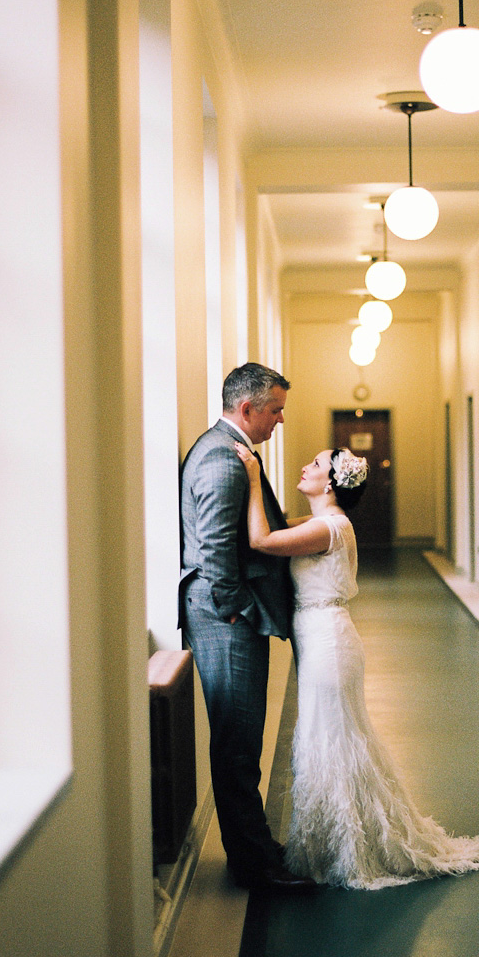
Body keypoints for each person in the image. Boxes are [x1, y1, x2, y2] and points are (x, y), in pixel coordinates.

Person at [233, 441, 479, 889]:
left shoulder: (331, 527)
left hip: (329, 645)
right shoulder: (323, 522)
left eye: (314, 464)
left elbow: (262, 540)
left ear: (331, 482)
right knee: (325, 739)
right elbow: (271, 527)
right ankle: (333, 843)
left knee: (334, 741)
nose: (304, 466)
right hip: (321, 641)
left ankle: (353, 847)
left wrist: (255, 477)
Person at [179, 363, 316, 893]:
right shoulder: (222, 460)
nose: (280, 419)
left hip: (227, 614)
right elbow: (215, 547)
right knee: (237, 742)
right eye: (276, 410)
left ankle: (255, 848)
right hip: (223, 618)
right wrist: (235, 608)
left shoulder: (231, 451)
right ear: (247, 409)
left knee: (242, 738)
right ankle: (255, 865)